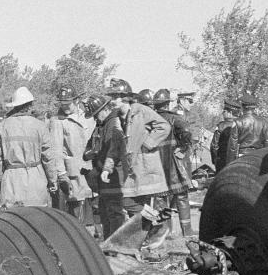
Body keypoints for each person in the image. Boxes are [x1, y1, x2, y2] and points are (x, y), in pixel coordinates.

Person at [105, 78, 170, 219]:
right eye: (112, 97)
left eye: (115, 97)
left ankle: (156, 221)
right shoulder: (116, 119)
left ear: (125, 98)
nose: (112, 101)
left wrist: (148, 143)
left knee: (127, 201)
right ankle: (155, 222)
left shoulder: (141, 111)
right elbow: (114, 148)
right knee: (130, 202)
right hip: (132, 169)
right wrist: (107, 168)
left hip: (145, 166)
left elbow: (164, 126)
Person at [0, 87, 60, 208]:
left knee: (12, 221)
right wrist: (53, 180)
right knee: (37, 220)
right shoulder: (40, 126)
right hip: (36, 179)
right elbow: (48, 157)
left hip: (11, 181)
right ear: (30, 105)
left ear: (14, 106)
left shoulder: (2, 127)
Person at [153, 88, 194, 236]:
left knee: (160, 199)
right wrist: (182, 148)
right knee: (181, 196)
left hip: (157, 164)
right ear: (167, 104)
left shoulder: (150, 120)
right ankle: (187, 232)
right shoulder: (175, 118)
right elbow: (188, 134)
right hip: (174, 165)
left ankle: (163, 232)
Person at [83, 94, 125, 236]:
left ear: (104, 109)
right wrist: (90, 153)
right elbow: (90, 146)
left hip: (113, 176)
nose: (95, 118)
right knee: (105, 211)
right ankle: (108, 243)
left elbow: (114, 150)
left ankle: (115, 244)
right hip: (103, 176)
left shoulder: (113, 124)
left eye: (96, 115)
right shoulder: (101, 125)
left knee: (114, 212)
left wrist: (106, 167)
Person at [52, 89, 94, 225]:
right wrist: (61, 174)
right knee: (77, 214)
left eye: (68, 104)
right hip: (74, 173)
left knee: (96, 210)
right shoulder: (57, 121)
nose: (64, 107)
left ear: (76, 101)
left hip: (93, 170)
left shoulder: (89, 115)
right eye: (62, 104)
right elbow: (56, 150)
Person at [225, 94, 268, 162]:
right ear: (254, 108)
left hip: (242, 156)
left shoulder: (237, 122)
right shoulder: (264, 122)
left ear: (242, 107)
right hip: (258, 156)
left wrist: (229, 163)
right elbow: (267, 143)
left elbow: (232, 146)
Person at [210, 98, 241, 172]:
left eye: (224, 111)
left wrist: (215, 160)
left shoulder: (221, 126)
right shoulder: (242, 124)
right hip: (239, 160)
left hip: (222, 160)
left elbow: (214, 146)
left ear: (230, 112)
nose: (222, 113)